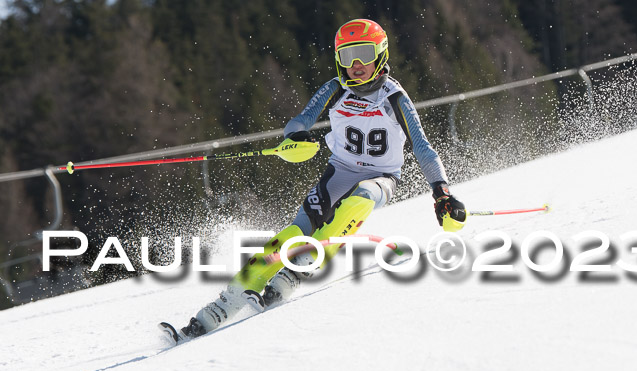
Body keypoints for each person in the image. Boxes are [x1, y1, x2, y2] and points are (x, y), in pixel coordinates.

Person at [179, 18, 466, 338]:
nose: (356, 65)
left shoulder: (394, 96)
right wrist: (297, 135)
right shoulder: (334, 88)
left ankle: (299, 270)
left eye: (363, 54)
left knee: (362, 198)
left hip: (382, 176)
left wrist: (442, 193)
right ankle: (226, 301)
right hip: (339, 172)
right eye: (347, 56)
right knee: (295, 231)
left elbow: (423, 148)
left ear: (381, 54)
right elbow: (299, 121)